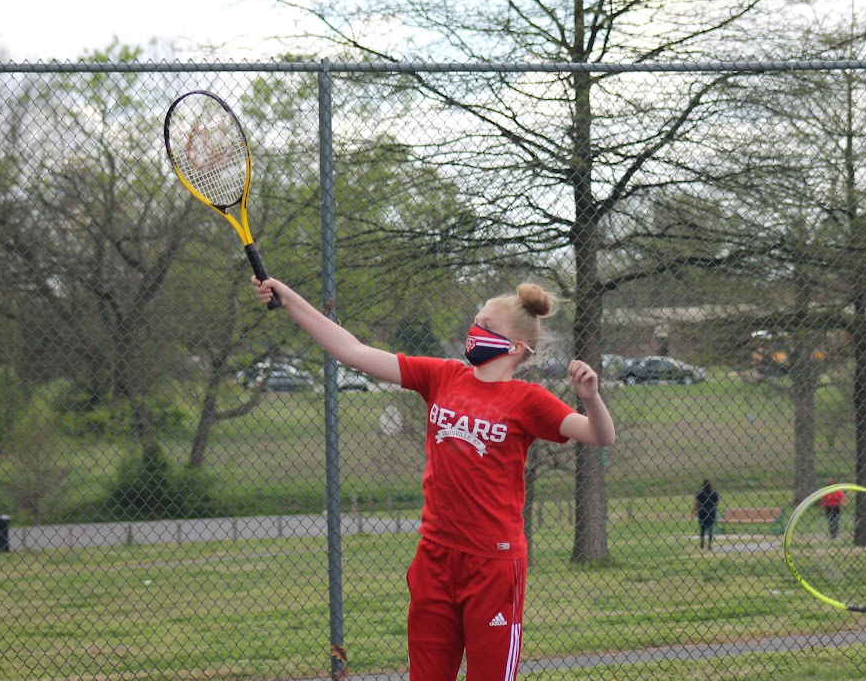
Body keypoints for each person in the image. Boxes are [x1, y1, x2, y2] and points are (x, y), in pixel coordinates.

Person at [251, 277, 615, 681]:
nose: (474, 333)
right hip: (436, 557)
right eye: (474, 323)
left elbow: (600, 436)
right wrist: (289, 300)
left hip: (493, 564)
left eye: (486, 327)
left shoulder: (527, 400)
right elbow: (351, 351)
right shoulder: (441, 376)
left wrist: (590, 398)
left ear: (514, 348)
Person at [694, 479, 719, 549]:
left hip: (702, 511)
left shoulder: (700, 492)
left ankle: (702, 543)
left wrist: (693, 512)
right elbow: (716, 502)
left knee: (702, 528)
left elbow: (697, 503)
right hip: (711, 511)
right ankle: (709, 544)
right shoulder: (714, 492)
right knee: (710, 528)